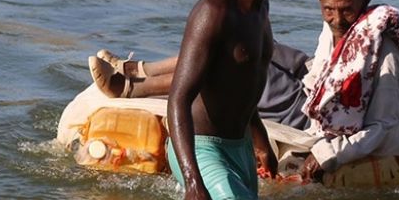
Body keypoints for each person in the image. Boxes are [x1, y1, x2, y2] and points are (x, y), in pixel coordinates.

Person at [123, 0, 297, 200]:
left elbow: (242, 84)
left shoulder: (261, 10)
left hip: (240, 148)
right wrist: (193, 182)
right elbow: (178, 98)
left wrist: (259, 141)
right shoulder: (214, 11)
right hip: (203, 147)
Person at [300, 0, 399, 180]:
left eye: (347, 10)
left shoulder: (386, 55)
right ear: (319, 0)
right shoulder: (331, 30)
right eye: (329, 10)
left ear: (365, 0)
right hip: (331, 132)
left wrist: (326, 154)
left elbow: (383, 127)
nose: (337, 20)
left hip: (371, 143)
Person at [89, 41, 311, 130]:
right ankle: (138, 69)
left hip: (306, 107)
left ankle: (133, 86)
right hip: (313, 77)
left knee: (232, 60)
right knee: (247, 40)